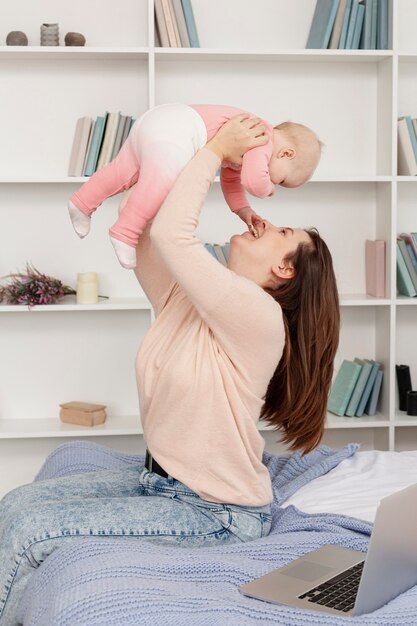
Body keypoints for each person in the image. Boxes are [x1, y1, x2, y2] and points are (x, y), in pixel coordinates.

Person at [0, 114, 338, 625]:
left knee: (32, 534)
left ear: (284, 271)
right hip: (160, 485)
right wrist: (163, 159)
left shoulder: (259, 316)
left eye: (282, 230)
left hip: (218, 514)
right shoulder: (191, 298)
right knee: (16, 506)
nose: (264, 221)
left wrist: (212, 152)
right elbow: (145, 238)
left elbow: (174, 236)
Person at [68, 103, 322, 269]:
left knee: (122, 170)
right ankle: (124, 232)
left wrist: (244, 211)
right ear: (286, 154)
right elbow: (254, 182)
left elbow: (232, 181)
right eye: (282, 180)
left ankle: (81, 203)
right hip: (178, 129)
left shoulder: (246, 144)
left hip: (160, 119)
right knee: (163, 181)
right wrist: (267, 190)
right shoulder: (261, 138)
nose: (275, 183)